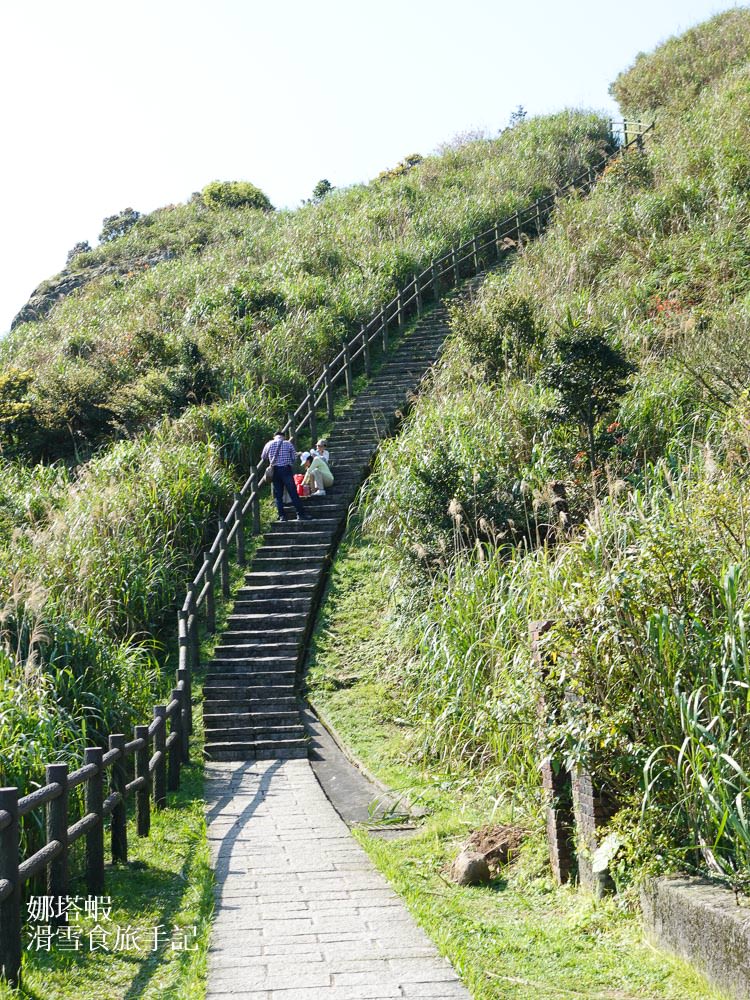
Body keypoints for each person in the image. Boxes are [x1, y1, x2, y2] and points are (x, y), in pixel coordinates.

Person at [261, 432, 311, 521]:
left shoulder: (268, 444)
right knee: (293, 493)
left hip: (275, 471)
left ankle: (282, 516)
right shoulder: (288, 443)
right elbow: (294, 458)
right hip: (286, 470)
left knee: (278, 495)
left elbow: (263, 457)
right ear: (283, 437)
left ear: (274, 437)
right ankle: (300, 514)